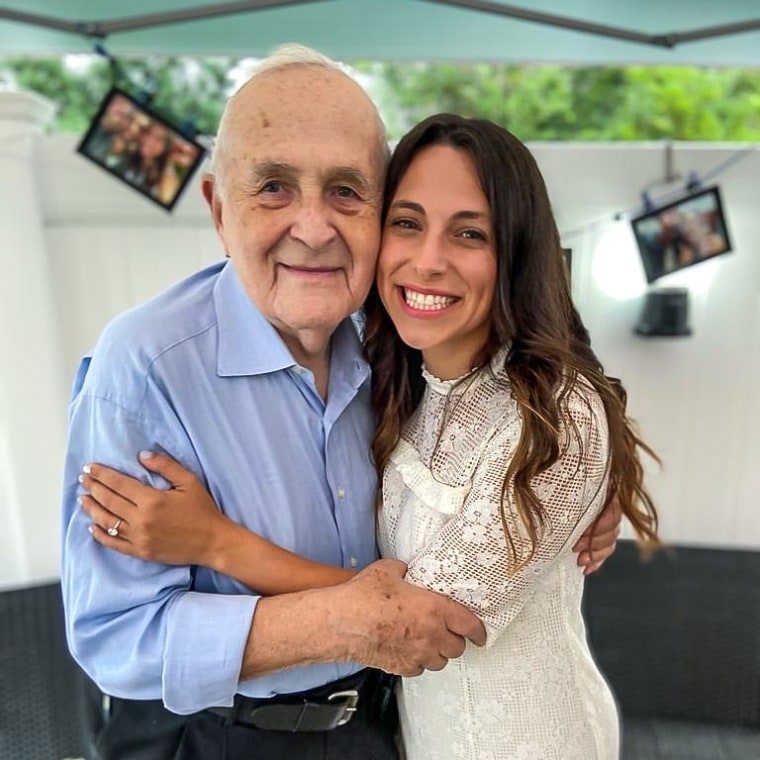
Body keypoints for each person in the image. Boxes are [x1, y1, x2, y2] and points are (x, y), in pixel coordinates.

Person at [63, 46, 623, 760]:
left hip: (382, 730)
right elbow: (116, 638)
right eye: (272, 187)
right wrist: (350, 623)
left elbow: (526, 406)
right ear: (217, 207)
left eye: (347, 191)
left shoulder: (394, 339)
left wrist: (595, 481)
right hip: (214, 739)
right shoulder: (144, 367)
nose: (315, 227)